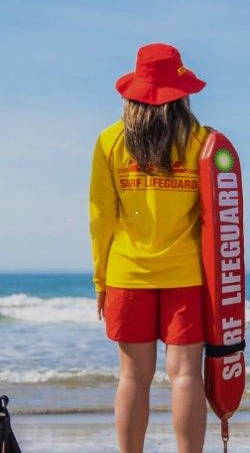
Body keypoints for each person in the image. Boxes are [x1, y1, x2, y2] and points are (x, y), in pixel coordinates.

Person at [89, 43, 211, 453]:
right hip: (187, 275)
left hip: (127, 272)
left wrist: (100, 280)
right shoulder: (204, 142)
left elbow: (101, 218)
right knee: (186, 376)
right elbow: (217, 218)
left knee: (132, 378)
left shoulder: (109, 141)